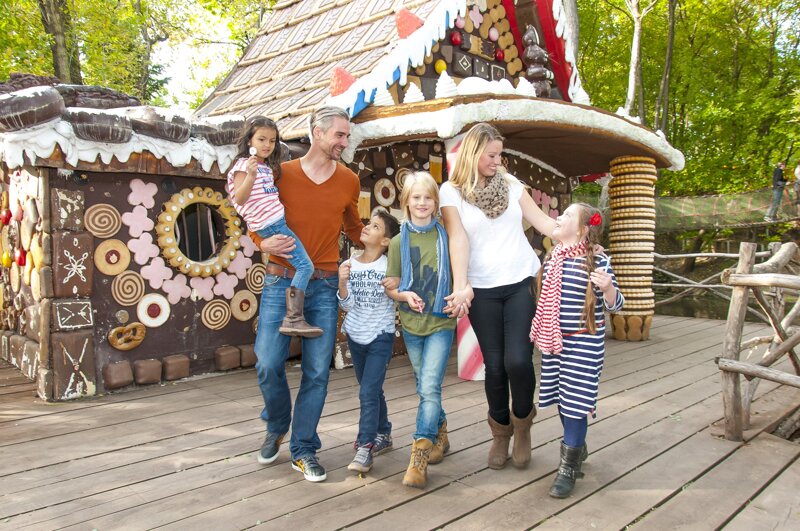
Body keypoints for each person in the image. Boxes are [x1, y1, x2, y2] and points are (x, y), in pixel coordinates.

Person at [253, 106, 363, 483]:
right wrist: (261, 241)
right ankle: (277, 423)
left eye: (347, 136)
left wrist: (394, 249)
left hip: (325, 284)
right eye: (340, 135)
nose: (345, 142)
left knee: (317, 371)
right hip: (279, 280)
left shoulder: (349, 180)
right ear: (317, 133)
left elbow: (355, 227)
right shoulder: (281, 174)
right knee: (267, 362)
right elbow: (255, 214)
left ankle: (303, 449)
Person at [440, 123, 557, 471]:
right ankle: (500, 432)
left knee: (518, 361)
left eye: (499, 154)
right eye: (492, 155)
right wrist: (462, 285)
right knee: (495, 367)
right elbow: (457, 238)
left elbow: (541, 221)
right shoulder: (451, 191)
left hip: (519, 280)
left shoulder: (511, 184)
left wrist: (574, 233)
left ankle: (523, 425)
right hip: (482, 288)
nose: (498, 160)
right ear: (474, 153)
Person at [530, 203, 624, 498]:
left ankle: (568, 467)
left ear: (583, 230)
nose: (559, 217)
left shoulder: (596, 261)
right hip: (556, 343)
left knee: (575, 404)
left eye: (567, 215)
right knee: (562, 400)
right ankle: (577, 447)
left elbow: (617, 304)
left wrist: (608, 288)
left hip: (584, 343)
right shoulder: (553, 258)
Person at [385, 172, 456, 489]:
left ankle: (420, 453)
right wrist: (402, 295)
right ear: (406, 202)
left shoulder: (449, 237)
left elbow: (462, 274)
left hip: (441, 321)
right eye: (416, 197)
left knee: (429, 387)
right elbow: (392, 287)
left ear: (435, 203)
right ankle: (441, 432)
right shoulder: (399, 242)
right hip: (412, 325)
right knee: (424, 386)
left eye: (428, 197)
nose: (422, 203)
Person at [227, 116, 321, 337]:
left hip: (275, 223)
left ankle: (293, 317)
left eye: (272, 140)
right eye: (261, 139)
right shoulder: (244, 166)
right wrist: (250, 176)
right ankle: (294, 318)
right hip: (270, 227)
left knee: (304, 266)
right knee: (305, 267)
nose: (267, 145)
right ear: (249, 140)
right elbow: (239, 199)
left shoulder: (266, 167)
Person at [337, 208, 401, 474]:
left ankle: (366, 447)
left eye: (375, 227)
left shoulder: (389, 266)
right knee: (370, 388)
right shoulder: (350, 263)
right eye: (368, 223)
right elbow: (347, 304)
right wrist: (342, 283)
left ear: (385, 240)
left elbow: (399, 294)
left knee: (367, 392)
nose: (366, 227)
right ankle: (383, 433)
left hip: (381, 337)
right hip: (356, 335)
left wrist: (394, 286)